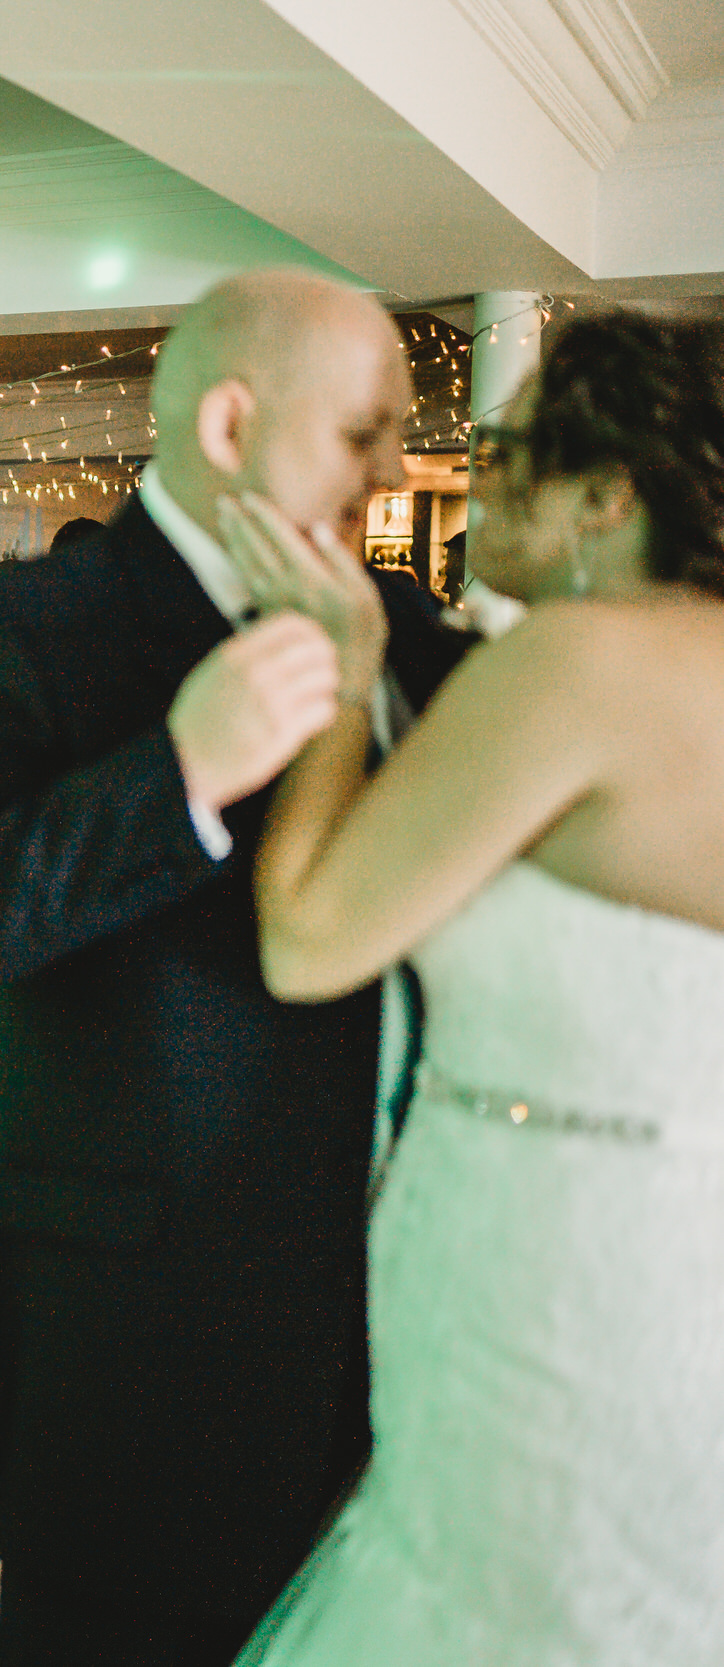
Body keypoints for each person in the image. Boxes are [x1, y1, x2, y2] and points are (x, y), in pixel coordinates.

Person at [0, 267, 470, 1665]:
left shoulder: (416, 646)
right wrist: (180, 771)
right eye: (363, 430)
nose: (394, 464)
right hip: (132, 1358)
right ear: (235, 422)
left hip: (416, 1333)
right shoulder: (31, 628)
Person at [235, 313, 724, 1665]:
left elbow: (309, 935)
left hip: (558, 1277)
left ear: (607, 493)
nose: (468, 470)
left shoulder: (576, 659)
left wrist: (340, 674)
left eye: (505, 451)